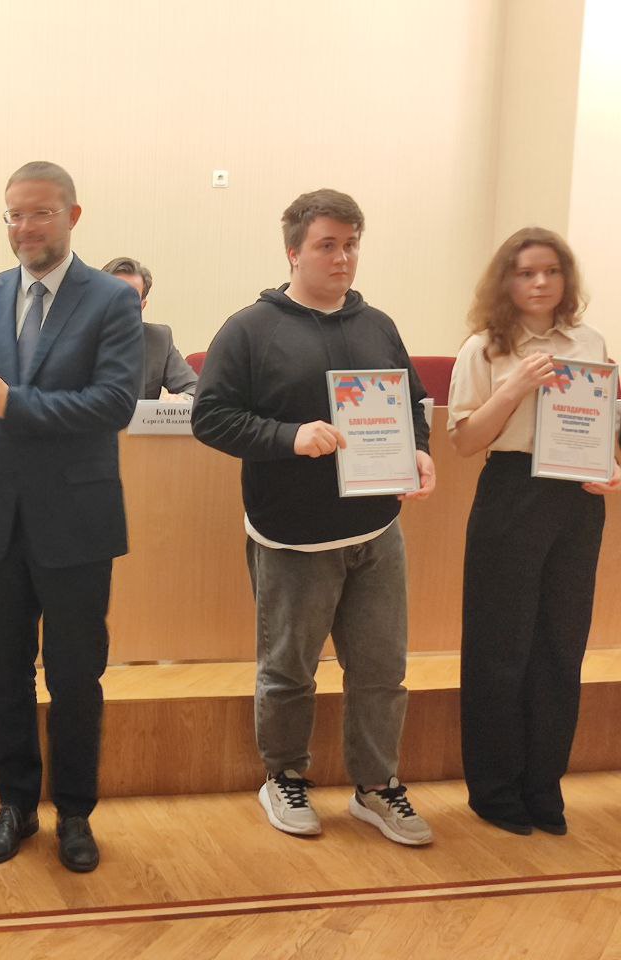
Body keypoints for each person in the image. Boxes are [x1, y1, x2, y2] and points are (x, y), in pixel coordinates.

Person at [192, 188, 436, 846]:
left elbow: (412, 403)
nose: (342, 257)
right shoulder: (250, 329)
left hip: (378, 532)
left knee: (382, 671)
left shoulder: (377, 324)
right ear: (293, 251)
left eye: (351, 244)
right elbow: (210, 417)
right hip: (292, 536)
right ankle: (283, 777)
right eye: (327, 245)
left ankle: (376, 787)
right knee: (289, 671)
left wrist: (419, 451)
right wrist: (289, 437)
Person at [0, 162, 142, 872]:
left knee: (75, 677)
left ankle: (75, 814)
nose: (25, 228)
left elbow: (115, 403)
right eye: (14, 214)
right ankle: (14, 805)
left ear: (73, 214)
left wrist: (15, 402)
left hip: (77, 520)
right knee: (4, 673)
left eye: (40, 213)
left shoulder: (113, 299)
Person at [448, 227, 620, 836]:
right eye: (526, 273)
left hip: (576, 500)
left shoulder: (590, 341)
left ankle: (543, 786)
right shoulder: (484, 348)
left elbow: (602, 425)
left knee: (560, 648)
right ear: (507, 280)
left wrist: (610, 467)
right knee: (500, 648)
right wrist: (516, 384)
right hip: (511, 492)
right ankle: (495, 791)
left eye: (551, 271)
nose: (541, 282)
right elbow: (465, 442)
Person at [102, 256, 198, 400]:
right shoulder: (74, 334)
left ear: (142, 306)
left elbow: (195, 389)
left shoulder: (158, 339)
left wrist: (180, 400)